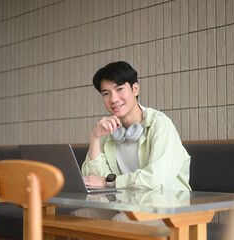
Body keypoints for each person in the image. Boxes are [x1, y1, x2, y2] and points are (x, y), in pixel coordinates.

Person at [71, 61, 191, 227]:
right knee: (79, 217)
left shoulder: (160, 124)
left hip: (169, 209)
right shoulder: (111, 132)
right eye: (106, 93)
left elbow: (156, 181)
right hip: (127, 206)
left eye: (119, 89)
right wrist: (95, 137)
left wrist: (109, 182)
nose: (113, 99)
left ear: (135, 89)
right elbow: (93, 183)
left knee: (120, 222)